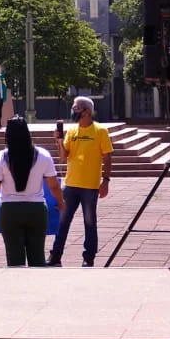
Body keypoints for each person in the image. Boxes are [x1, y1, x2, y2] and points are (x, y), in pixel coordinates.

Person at [0, 117, 65, 267]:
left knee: (14, 259)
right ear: (27, 133)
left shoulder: (1, 157)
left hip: (10, 211)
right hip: (36, 210)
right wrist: (61, 202)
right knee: (37, 257)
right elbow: (54, 186)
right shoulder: (43, 155)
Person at [48, 95, 113, 267]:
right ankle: (55, 256)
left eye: (76, 108)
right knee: (63, 221)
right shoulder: (72, 131)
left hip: (90, 186)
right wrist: (59, 141)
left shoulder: (100, 131)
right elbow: (63, 157)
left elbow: (107, 157)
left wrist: (105, 180)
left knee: (90, 222)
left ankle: (88, 257)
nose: (73, 111)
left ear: (87, 111)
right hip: (70, 185)